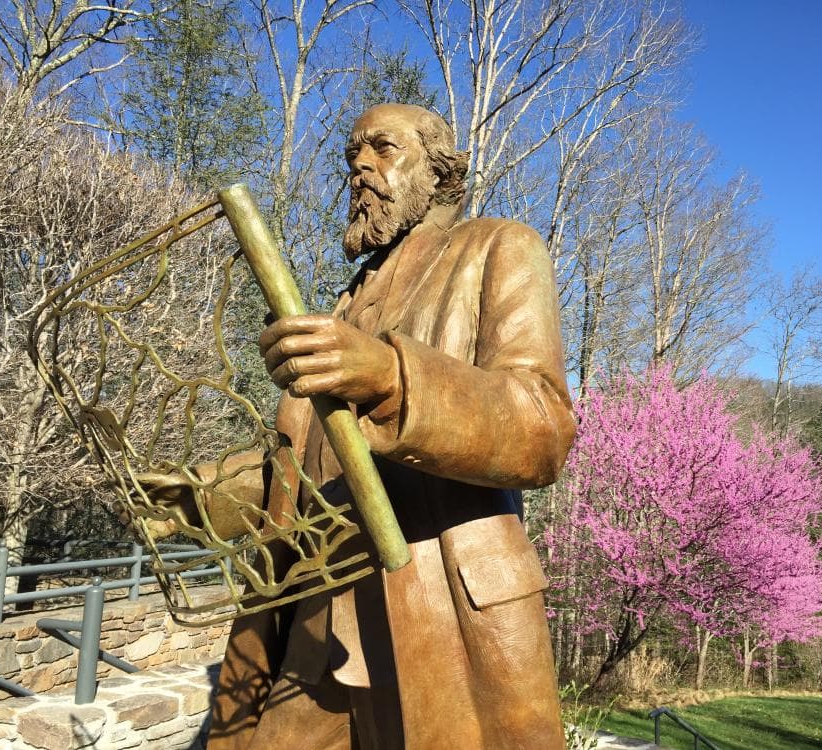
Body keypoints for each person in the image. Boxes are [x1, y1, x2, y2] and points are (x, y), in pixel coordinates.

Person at [207, 103, 575, 749]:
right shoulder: (341, 307)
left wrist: (391, 377)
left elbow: (541, 429)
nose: (361, 169)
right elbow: (301, 468)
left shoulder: (499, 248)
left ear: (438, 173)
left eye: (383, 149)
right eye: (353, 155)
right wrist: (203, 492)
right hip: (319, 617)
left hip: (441, 612)